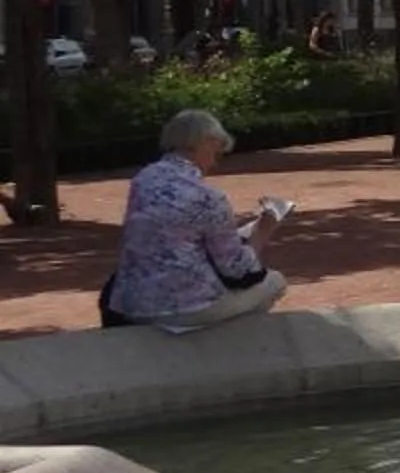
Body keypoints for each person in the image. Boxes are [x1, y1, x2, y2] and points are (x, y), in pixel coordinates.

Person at [102, 109, 293, 331]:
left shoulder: (143, 180)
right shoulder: (208, 197)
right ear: (206, 142)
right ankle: (233, 345)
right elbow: (237, 269)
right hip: (184, 307)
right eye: (217, 153)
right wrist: (264, 228)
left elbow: (173, 237)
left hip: (132, 303)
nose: (214, 163)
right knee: (275, 282)